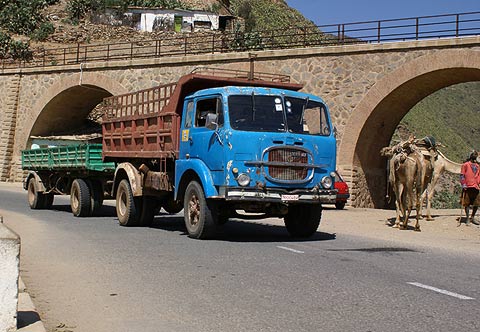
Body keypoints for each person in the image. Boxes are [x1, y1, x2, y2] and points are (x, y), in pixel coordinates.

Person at [459, 150, 480, 226]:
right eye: (474, 154)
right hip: (467, 187)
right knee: (466, 203)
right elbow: (462, 175)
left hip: (476, 186)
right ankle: (467, 218)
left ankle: (473, 217)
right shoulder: (465, 165)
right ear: (470, 156)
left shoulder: (478, 166)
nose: (475, 155)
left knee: (476, 203)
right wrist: (463, 184)